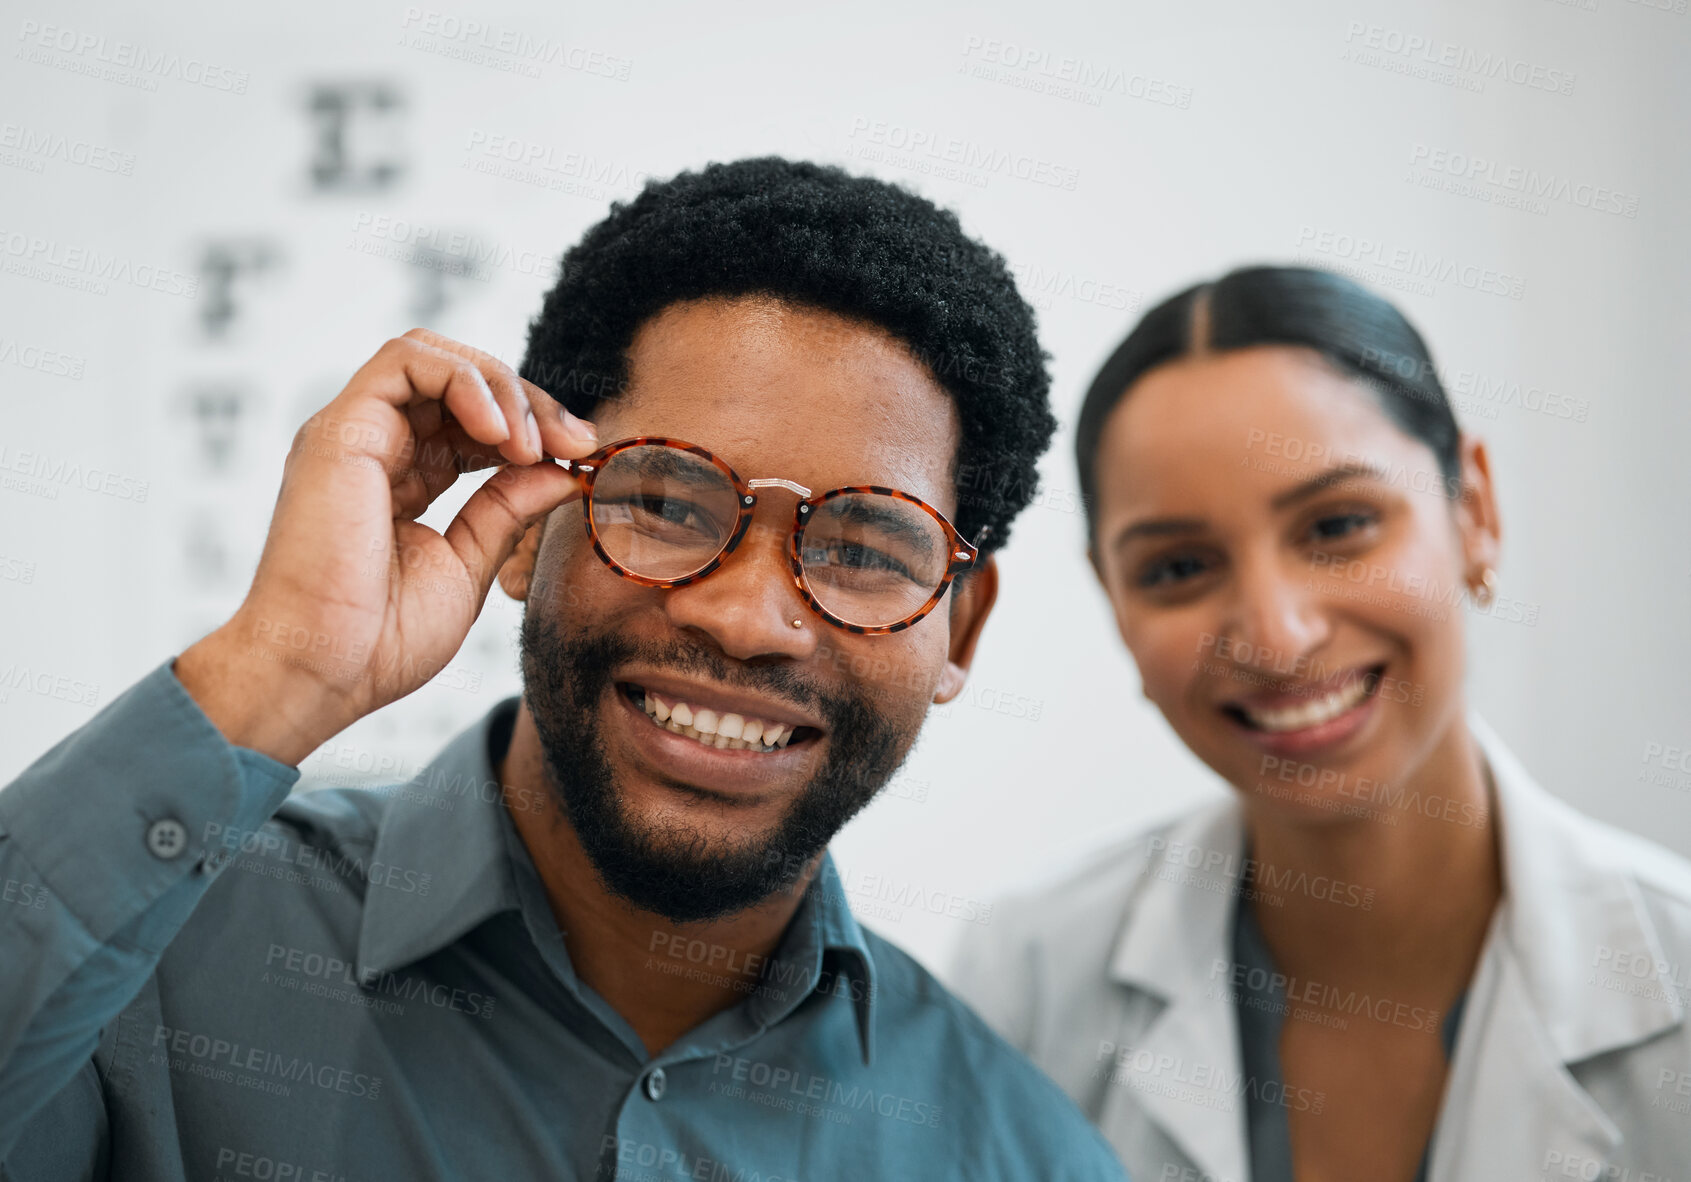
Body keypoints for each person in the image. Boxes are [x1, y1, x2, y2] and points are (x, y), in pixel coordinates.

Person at [0, 158, 1127, 1181]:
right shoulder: (142, 958)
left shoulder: (1019, 1156)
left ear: (959, 630)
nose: (747, 620)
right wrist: (277, 672)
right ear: (529, 526)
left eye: (865, 548)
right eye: (669, 502)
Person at [950, 265, 1691, 1182]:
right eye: (1178, 569)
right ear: (1114, 604)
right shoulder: (1020, 984)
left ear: (1475, 513)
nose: (1275, 637)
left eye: (1337, 524)